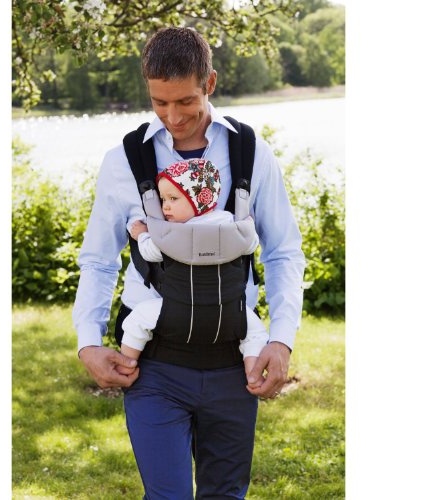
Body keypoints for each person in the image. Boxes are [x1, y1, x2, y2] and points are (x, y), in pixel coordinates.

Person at [73, 26, 305, 499]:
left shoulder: (249, 152)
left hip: (234, 365)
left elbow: (283, 251)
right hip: (155, 367)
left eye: (185, 101)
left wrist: (281, 339)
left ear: (210, 83)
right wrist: (88, 342)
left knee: (225, 495)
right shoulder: (124, 160)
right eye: (159, 102)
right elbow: (98, 260)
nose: (173, 117)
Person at [120, 158, 270, 380]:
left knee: (138, 319)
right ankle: (253, 375)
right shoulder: (231, 224)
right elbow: (250, 246)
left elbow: (150, 253)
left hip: (178, 309)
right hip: (228, 310)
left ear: (198, 198)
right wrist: (248, 224)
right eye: (163, 199)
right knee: (255, 332)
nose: (165, 206)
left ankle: (126, 366)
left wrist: (141, 234)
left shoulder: (172, 233)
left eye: (173, 198)